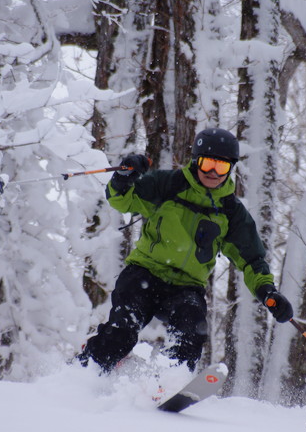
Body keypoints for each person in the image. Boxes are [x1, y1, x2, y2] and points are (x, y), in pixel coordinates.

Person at [78, 127, 293, 373]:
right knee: (123, 332)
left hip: (186, 287)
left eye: (221, 167)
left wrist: (267, 291)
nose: (213, 172)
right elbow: (121, 200)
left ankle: (171, 377)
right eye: (207, 164)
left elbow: (252, 260)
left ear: (230, 169)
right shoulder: (167, 184)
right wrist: (123, 179)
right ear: (196, 161)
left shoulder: (231, 212)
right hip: (144, 274)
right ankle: (88, 369)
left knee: (191, 327)